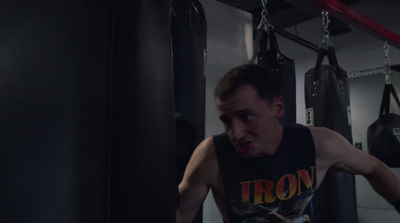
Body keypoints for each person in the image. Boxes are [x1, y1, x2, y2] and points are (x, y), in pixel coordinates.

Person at [177, 63, 400, 223]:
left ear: (278, 108)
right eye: (227, 121)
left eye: (246, 117)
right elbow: (181, 215)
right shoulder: (211, 157)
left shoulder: (318, 143)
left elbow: (373, 167)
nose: (236, 133)